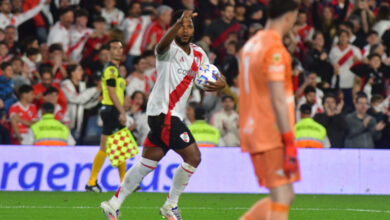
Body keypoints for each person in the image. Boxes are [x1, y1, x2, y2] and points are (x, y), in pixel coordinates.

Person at [100, 10, 226, 220]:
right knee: (194, 157)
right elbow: (160, 46)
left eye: (189, 26)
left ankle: (113, 204)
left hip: (170, 115)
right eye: (182, 26)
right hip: (164, 113)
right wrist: (177, 23)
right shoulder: (167, 49)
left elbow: (213, 75)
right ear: (175, 27)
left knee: (147, 162)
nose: (185, 30)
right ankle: (171, 205)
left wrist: (222, 82)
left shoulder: (199, 54)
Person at [239, 0, 300, 219]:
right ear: (288, 17)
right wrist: (289, 140)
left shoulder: (251, 45)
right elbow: (278, 99)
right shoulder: (275, 49)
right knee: (282, 197)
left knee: (284, 196)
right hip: (270, 131)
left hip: (253, 128)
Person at [85, 39, 127, 193]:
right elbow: (110, 92)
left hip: (111, 110)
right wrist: (121, 111)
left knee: (114, 147)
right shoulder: (111, 69)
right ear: (109, 52)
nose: (118, 51)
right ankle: (94, 181)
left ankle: (94, 182)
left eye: (120, 48)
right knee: (114, 147)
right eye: (115, 48)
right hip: (112, 110)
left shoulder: (115, 69)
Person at [61, 64, 100, 141]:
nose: (82, 72)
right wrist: (95, 89)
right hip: (67, 124)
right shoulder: (65, 84)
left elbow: (85, 104)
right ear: (72, 72)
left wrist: (97, 99)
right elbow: (76, 98)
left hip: (78, 125)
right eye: (79, 70)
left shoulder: (82, 85)